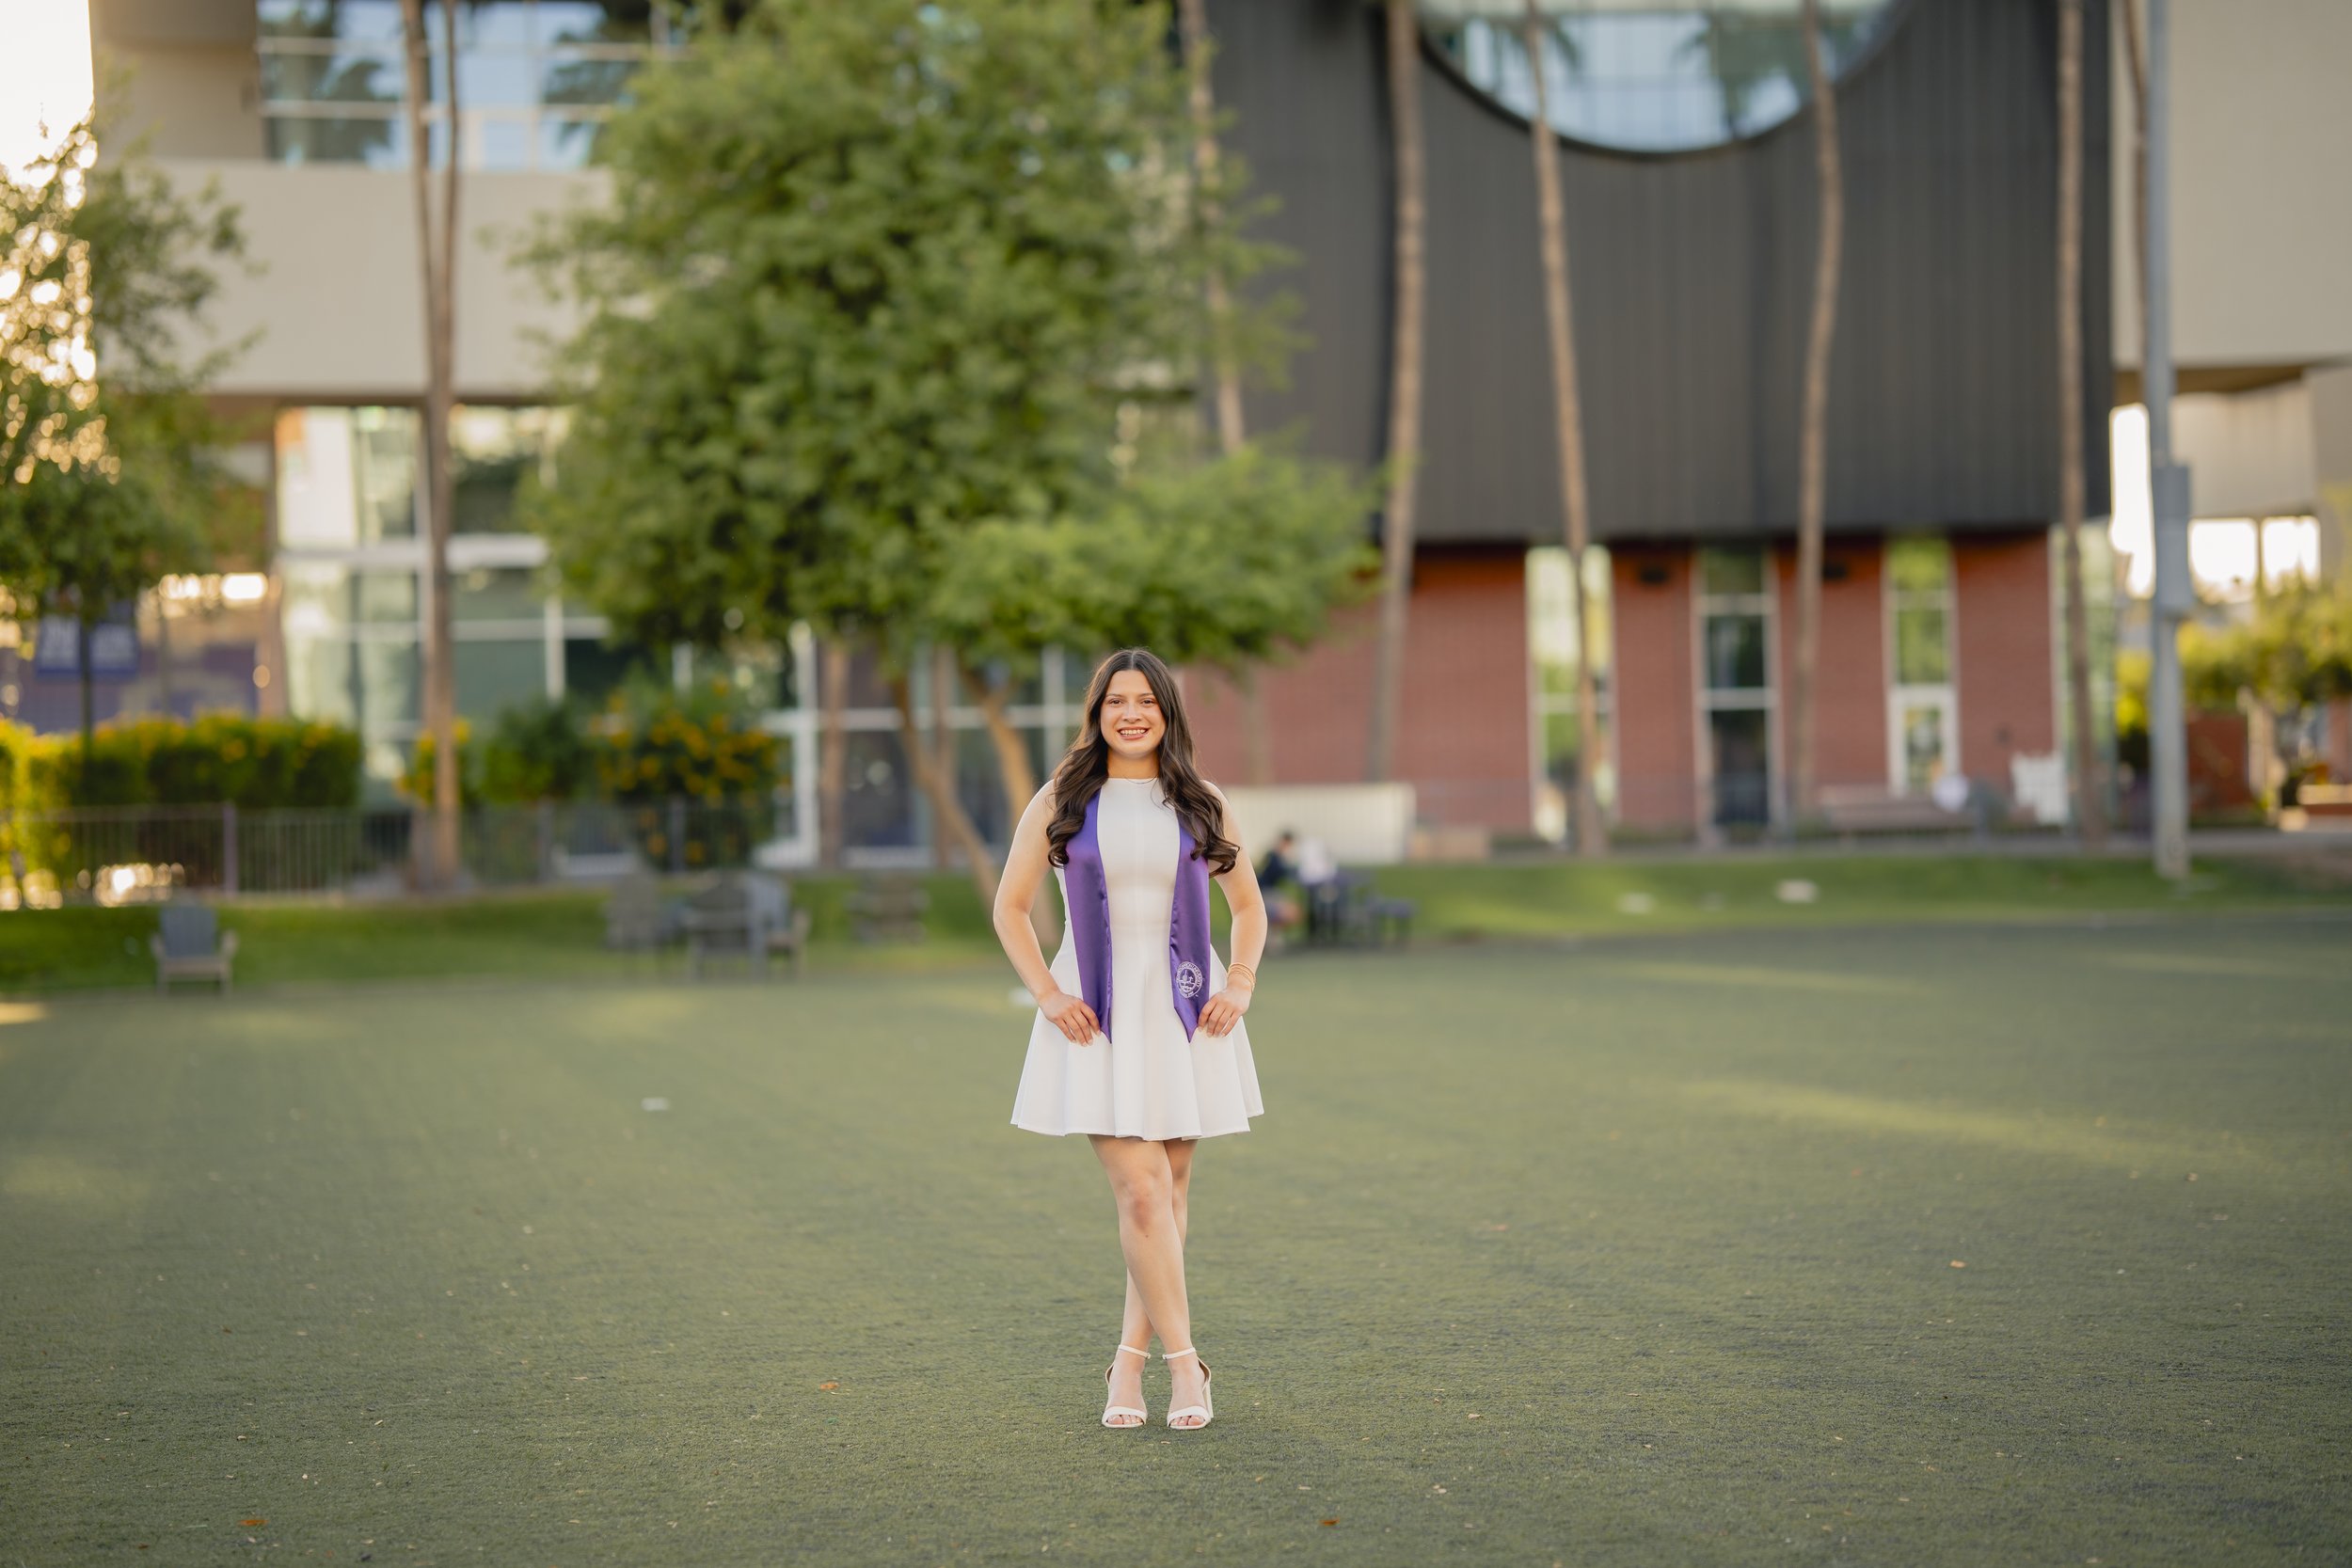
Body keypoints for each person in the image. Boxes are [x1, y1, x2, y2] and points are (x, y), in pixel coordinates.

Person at [993, 648, 1267, 1432]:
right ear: (1097, 712)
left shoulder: (1201, 801)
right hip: (1098, 1012)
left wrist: (1240, 981)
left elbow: (1247, 907)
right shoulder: (1064, 798)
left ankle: (1127, 1360)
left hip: (1185, 1008)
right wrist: (1047, 993)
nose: (1132, 712)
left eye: (1147, 699)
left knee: (1170, 1194)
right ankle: (1188, 1368)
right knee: (1142, 1189)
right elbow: (1010, 906)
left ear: (1168, 712)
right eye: (1117, 700)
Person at [1258, 830, 1305, 941]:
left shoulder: (1276, 858)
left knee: (1293, 911)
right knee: (1287, 912)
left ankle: (1272, 940)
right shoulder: (1273, 857)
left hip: (1269, 892)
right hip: (1264, 892)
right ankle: (1269, 941)